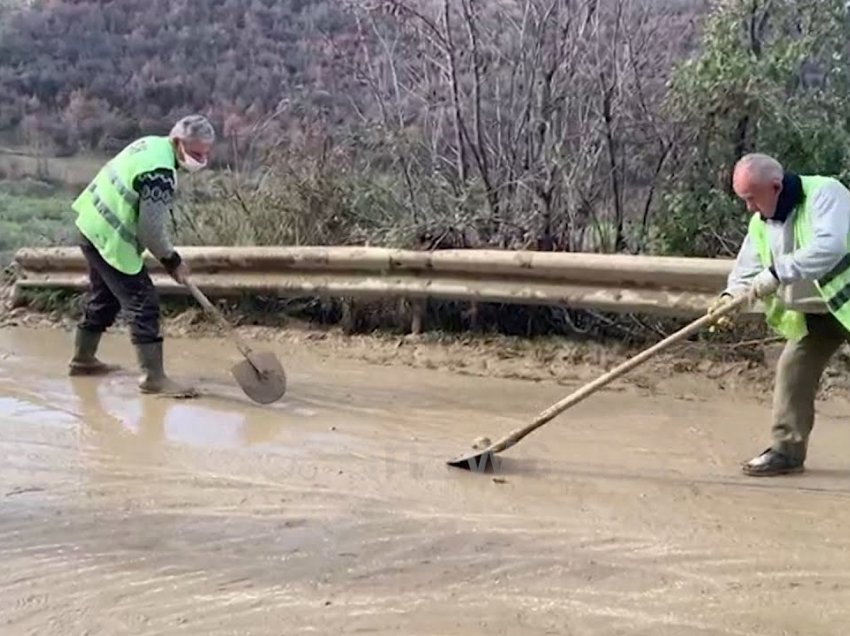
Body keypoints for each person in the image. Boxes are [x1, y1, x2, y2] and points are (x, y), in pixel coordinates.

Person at [709, 152, 850, 476]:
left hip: (847, 303)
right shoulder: (761, 221)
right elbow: (747, 266)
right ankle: (786, 451)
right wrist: (732, 297)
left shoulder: (826, 193)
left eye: (751, 198)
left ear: (775, 186)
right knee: (793, 368)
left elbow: (830, 247)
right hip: (817, 311)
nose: (749, 208)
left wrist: (776, 273)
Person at [67, 114, 216, 398]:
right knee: (143, 302)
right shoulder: (159, 173)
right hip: (109, 236)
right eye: (196, 153)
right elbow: (151, 231)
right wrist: (173, 261)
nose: (201, 159)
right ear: (177, 142)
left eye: (205, 153)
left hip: (90, 224)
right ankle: (153, 378)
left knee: (104, 297)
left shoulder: (150, 144)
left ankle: (82, 360)